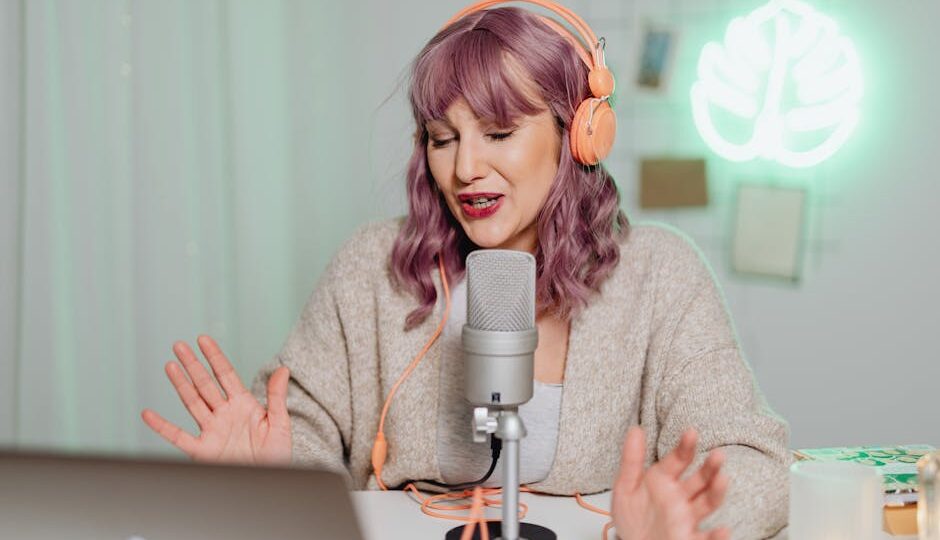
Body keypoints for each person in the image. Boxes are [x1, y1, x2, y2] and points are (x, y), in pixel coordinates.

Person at [141, 3, 791, 539]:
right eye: (442, 138)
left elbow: (750, 463)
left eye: (498, 132)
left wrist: (681, 523)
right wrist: (271, 479)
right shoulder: (372, 269)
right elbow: (303, 429)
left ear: (578, 134)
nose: (464, 169)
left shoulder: (659, 274)